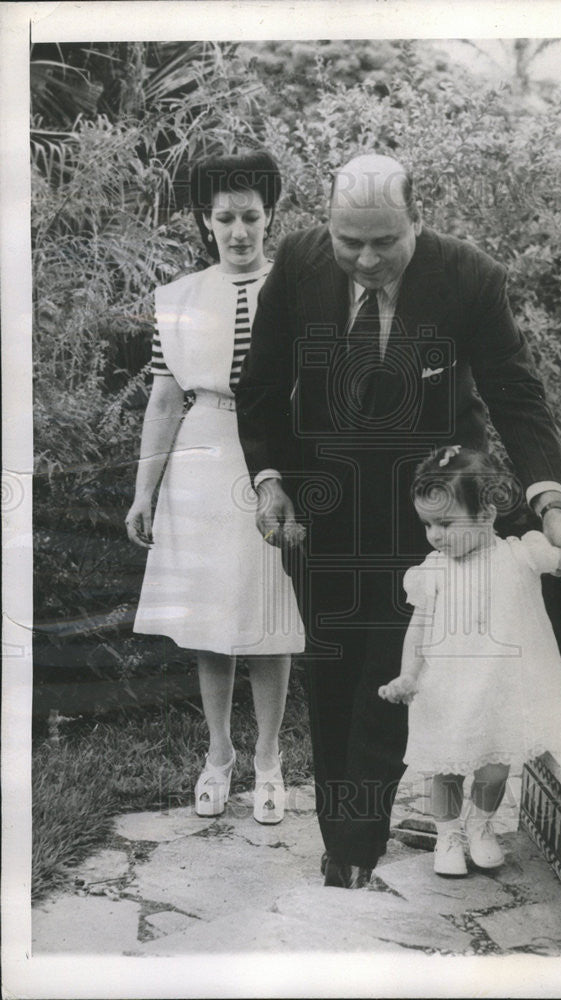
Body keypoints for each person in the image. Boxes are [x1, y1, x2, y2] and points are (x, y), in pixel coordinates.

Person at [235, 152, 561, 887]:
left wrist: (552, 504)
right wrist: (270, 481)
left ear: (418, 221)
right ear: (327, 225)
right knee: (334, 668)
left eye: (385, 241)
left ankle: (350, 847)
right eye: (351, 242)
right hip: (323, 512)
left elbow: (515, 395)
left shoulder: (468, 277)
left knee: (389, 666)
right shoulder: (298, 262)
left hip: (435, 512)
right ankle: (352, 828)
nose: (367, 259)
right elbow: (258, 383)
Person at [126, 150, 304, 824]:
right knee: (207, 625)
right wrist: (145, 491)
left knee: (267, 619)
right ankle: (218, 757)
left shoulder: (294, 289)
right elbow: (165, 402)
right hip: (199, 463)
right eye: (224, 218)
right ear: (205, 220)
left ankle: (267, 763)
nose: (238, 231)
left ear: (269, 218)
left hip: (273, 466)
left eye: (250, 217)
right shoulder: (177, 300)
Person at [378, 447, 561, 876]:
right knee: (445, 769)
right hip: (446, 690)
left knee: (494, 769)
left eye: (445, 523)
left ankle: (480, 826)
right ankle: (447, 836)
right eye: (427, 524)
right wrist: (408, 675)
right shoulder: (432, 571)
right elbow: (418, 630)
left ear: (486, 514)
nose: (435, 535)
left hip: (500, 691)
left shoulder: (521, 555)